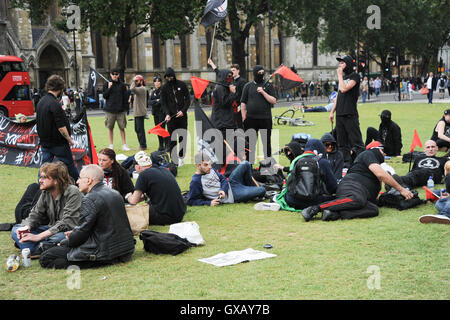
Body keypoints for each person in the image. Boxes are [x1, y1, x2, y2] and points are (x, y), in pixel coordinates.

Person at [39, 164, 135, 269]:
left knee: (46, 257)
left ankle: (94, 263)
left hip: (104, 252)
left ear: (89, 181)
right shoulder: (115, 193)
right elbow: (106, 225)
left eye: (80, 178)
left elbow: (82, 232)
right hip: (125, 250)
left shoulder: (90, 198)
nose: (77, 181)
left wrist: (65, 242)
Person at [301, 142, 414, 222]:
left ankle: (335, 213)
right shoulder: (368, 154)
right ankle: (316, 208)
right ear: (375, 149)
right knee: (357, 199)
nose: (384, 154)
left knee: (373, 209)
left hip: (361, 192)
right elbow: (381, 174)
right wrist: (401, 189)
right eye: (382, 150)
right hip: (351, 185)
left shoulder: (373, 164)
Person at [11, 162, 83, 258]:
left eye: (44, 177)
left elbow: (67, 222)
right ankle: (39, 247)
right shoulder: (45, 192)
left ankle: (30, 247)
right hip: (51, 229)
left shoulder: (73, 192)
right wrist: (26, 228)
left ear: (56, 180)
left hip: (68, 231)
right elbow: (35, 214)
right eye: (40, 177)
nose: (40, 180)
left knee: (60, 237)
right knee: (16, 229)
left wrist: (38, 237)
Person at [268, 139, 338, 212]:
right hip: (312, 201)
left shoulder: (296, 160)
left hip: (292, 200)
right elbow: (332, 187)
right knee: (334, 199)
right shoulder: (322, 162)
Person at [36, 74, 79, 181]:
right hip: (58, 143)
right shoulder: (54, 104)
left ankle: (40, 183)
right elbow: (61, 126)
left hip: (45, 141)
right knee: (69, 165)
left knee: (44, 166)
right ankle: (79, 184)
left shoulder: (41, 101)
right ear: (60, 88)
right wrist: (69, 139)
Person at [126, 151, 186, 225]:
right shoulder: (164, 170)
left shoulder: (143, 175)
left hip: (166, 217)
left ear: (137, 166)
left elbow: (133, 201)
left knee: (131, 212)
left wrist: (127, 197)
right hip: (180, 214)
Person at [187, 152, 266, 206]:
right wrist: (209, 203)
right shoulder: (196, 181)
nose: (209, 167)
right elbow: (191, 201)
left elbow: (223, 179)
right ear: (198, 165)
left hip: (231, 183)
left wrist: (223, 190)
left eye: (210, 164)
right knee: (262, 190)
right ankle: (251, 191)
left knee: (246, 163)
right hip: (232, 195)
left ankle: (250, 189)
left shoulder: (211, 170)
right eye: (205, 165)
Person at [329, 55, 365, 167]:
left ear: (348, 64)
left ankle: (362, 163)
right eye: (339, 63)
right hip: (340, 114)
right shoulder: (343, 78)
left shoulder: (355, 76)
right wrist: (332, 111)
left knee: (356, 141)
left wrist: (339, 75)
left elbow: (344, 89)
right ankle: (345, 163)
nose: (340, 65)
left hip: (350, 113)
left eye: (342, 63)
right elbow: (339, 95)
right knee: (342, 142)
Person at [241, 65, 277, 164]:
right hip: (251, 119)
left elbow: (273, 100)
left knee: (266, 143)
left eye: (262, 73)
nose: (261, 75)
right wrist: (243, 116)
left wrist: (263, 92)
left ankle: (268, 165)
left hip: (265, 119)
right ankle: (249, 166)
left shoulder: (268, 86)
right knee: (250, 143)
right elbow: (243, 102)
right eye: (259, 73)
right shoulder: (248, 86)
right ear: (254, 73)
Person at [160, 67, 191, 166]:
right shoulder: (164, 88)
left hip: (182, 116)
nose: (169, 79)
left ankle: (181, 157)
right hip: (171, 118)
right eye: (167, 77)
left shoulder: (182, 85)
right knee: (172, 138)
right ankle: (174, 159)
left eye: (170, 77)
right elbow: (163, 102)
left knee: (182, 137)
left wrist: (183, 110)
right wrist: (167, 114)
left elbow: (188, 99)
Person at [102, 68, 130, 151]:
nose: (115, 75)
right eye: (113, 74)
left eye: (116, 74)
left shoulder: (122, 85)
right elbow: (104, 96)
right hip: (110, 110)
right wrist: (109, 88)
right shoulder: (107, 84)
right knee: (110, 127)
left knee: (122, 127)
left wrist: (126, 109)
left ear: (118, 75)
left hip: (120, 110)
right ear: (110, 74)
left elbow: (125, 97)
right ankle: (111, 145)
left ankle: (124, 144)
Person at [148, 75, 169, 151]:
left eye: (158, 81)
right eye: (155, 81)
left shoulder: (163, 90)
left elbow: (162, 101)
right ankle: (161, 145)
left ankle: (167, 145)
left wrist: (156, 101)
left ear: (161, 82)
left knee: (162, 129)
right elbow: (149, 102)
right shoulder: (153, 92)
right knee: (157, 129)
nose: (157, 83)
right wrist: (156, 101)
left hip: (162, 112)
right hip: (155, 113)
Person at [130, 75, 148, 151]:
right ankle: (142, 144)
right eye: (135, 81)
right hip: (138, 112)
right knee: (137, 129)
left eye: (137, 81)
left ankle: (143, 145)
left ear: (141, 81)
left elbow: (131, 88)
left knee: (140, 129)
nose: (136, 82)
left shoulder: (142, 89)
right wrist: (135, 80)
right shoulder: (140, 89)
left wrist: (134, 80)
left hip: (140, 112)